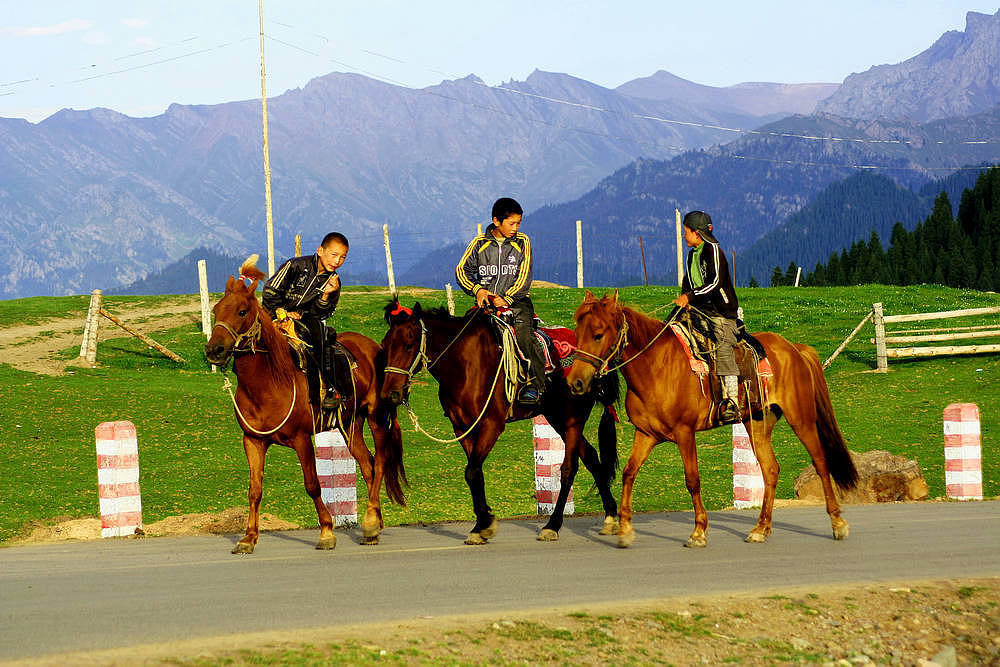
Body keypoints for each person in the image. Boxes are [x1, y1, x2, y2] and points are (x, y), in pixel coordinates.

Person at [456, 197, 546, 405]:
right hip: (486, 305)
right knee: (466, 337)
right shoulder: (478, 244)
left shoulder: (522, 242)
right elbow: (462, 271)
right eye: (511, 223)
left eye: (518, 223)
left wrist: (505, 298)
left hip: (517, 303)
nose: (516, 228)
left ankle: (537, 384)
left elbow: (524, 278)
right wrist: (477, 290)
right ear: (496, 221)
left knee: (523, 337)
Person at [262, 232, 350, 411]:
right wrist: (282, 312)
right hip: (273, 314)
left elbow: (324, 313)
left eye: (343, 257)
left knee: (322, 337)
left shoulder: (334, 281)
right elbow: (270, 291)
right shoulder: (295, 265)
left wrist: (326, 295)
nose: (337, 261)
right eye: (333, 255)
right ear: (320, 250)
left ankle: (329, 389)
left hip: (305, 320)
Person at [673, 210, 741, 424]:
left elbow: (715, 283)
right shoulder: (692, 254)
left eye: (686, 232)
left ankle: (732, 400)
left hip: (721, 311)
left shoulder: (713, 251)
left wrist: (689, 296)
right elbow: (689, 283)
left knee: (722, 341)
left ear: (697, 233)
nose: (684, 236)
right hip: (699, 309)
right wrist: (682, 303)